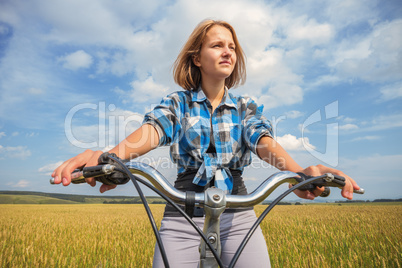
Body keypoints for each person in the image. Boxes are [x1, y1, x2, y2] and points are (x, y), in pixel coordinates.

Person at [52, 19, 361, 267]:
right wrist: (109, 158)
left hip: (239, 215)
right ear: (197, 58)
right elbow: (154, 130)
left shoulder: (246, 106)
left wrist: (300, 173)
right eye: (217, 45)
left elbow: (262, 140)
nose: (228, 51)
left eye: (232, 47)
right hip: (182, 212)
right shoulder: (177, 102)